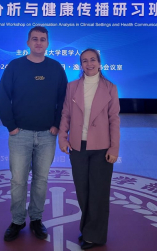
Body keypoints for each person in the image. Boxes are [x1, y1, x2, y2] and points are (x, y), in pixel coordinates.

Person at [0, 26, 68, 242]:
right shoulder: (15, 66)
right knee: (18, 180)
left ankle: (36, 219)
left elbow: (64, 100)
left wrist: (57, 124)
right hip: (20, 135)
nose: (38, 43)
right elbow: (2, 97)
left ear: (48, 43)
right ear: (28, 42)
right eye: (35, 39)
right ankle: (18, 221)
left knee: (40, 180)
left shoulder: (56, 68)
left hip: (47, 135)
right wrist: (11, 127)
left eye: (43, 39)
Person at [59, 48, 120, 250]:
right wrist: (62, 138)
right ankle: (87, 230)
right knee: (83, 191)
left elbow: (114, 121)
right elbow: (66, 114)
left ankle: (95, 236)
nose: (89, 64)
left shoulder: (110, 88)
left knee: (99, 193)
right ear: (81, 64)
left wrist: (114, 147)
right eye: (84, 61)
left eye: (92, 60)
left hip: (102, 147)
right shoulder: (72, 87)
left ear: (99, 62)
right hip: (78, 146)